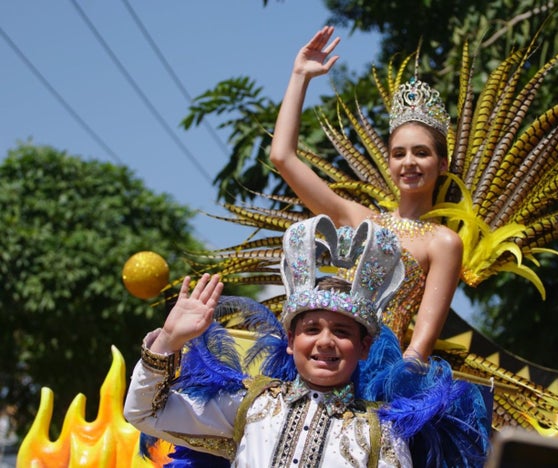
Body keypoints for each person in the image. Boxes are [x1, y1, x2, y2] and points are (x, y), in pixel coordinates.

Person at [124, 215, 491, 467]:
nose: (325, 341)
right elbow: (143, 413)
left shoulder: (382, 434)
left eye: (342, 332)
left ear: (364, 347)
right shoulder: (250, 406)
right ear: (290, 340)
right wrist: (168, 340)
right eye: (312, 329)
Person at [269, 26, 463, 362]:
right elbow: (282, 157)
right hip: (322, 358)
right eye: (399, 153)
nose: (409, 162)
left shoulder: (443, 243)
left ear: (442, 164)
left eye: (421, 153)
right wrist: (300, 76)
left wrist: (391, 386)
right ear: (389, 162)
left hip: (379, 371)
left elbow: (419, 347)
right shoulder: (358, 219)